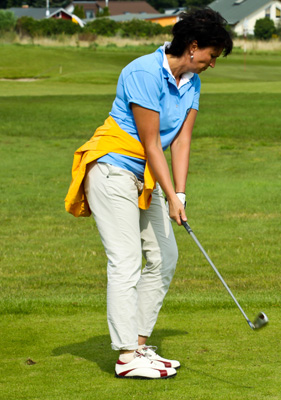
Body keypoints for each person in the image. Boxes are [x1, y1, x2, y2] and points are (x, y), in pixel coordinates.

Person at [64, 9, 233, 380]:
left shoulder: (192, 82)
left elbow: (182, 140)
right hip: (112, 169)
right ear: (193, 46)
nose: (212, 64)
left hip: (146, 175)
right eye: (212, 56)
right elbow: (152, 142)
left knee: (164, 255)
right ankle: (127, 355)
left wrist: (180, 195)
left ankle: (139, 344)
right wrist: (169, 194)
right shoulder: (143, 72)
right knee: (125, 261)